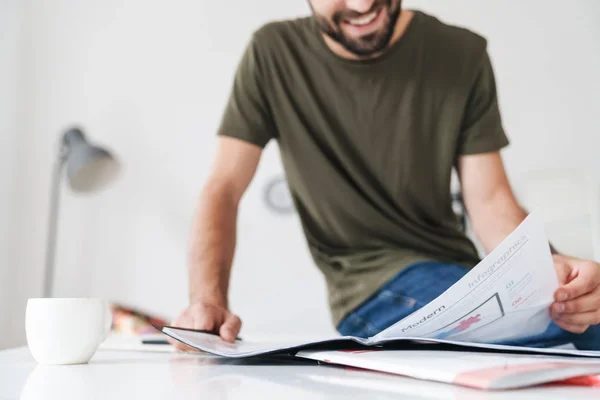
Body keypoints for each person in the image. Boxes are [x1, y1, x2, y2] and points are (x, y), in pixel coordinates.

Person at [170, 0, 600, 350]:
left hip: (463, 277)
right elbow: (223, 188)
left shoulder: (462, 53)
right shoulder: (273, 53)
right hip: (371, 289)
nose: (361, 4)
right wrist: (207, 302)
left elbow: (489, 203)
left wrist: (549, 268)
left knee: (586, 318)